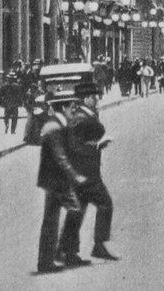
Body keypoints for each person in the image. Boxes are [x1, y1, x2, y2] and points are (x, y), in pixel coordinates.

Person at [59, 81, 118, 263]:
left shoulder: (86, 115)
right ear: (86, 98)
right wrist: (96, 146)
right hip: (86, 173)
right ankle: (98, 245)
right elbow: (74, 146)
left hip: (85, 172)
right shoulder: (80, 118)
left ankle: (66, 251)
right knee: (105, 204)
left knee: (78, 210)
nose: (97, 99)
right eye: (94, 97)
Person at [36, 87, 87, 274]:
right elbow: (61, 157)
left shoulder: (57, 124)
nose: (75, 110)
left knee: (50, 220)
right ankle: (64, 252)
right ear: (63, 107)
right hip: (57, 181)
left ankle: (47, 261)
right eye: (73, 107)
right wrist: (75, 176)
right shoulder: (56, 127)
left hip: (52, 180)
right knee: (74, 210)